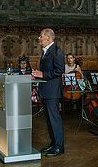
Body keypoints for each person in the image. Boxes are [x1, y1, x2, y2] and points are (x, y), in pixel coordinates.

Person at [32, 28, 65, 157]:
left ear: (48, 38)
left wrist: (42, 74)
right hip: (45, 90)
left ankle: (59, 147)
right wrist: (37, 75)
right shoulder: (46, 51)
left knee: (55, 119)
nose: (39, 38)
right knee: (49, 120)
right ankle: (53, 144)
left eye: (41, 36)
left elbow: (59, 70)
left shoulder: (57, 51)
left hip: (52, 92)